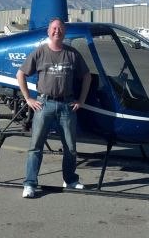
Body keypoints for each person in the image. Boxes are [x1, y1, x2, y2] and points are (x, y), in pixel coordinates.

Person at [16, 17, 92, 198]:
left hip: (67, 105)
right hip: (44, 104)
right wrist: (28, 98)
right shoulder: (40, 53)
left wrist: (80, 100)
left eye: (60, 28)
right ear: (48, 32)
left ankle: (70, 179)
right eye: (54, 28)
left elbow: (87, 76)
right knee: (36, 146)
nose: (57, 31)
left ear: (64, 32)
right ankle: (30, 184)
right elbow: (21, 74)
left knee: (70, 147)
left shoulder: (72, 54)